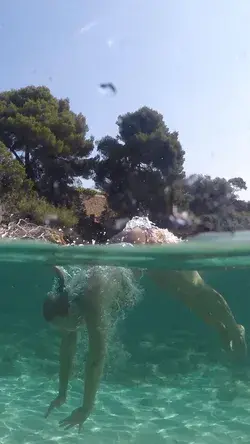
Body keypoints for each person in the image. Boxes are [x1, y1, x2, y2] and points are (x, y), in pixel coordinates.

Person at [43, 219, 247, 431]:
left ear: (70, 311)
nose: (70, 332)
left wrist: (86, 408)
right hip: (135, 248)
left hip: (151, 242)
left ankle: (234, 329)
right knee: (184, 296)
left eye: (67, 327)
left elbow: (96, 358)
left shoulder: (91, 301)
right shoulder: (69, 298)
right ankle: (221, 329)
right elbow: (67, 346)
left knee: (196, 289)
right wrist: (62, 393)